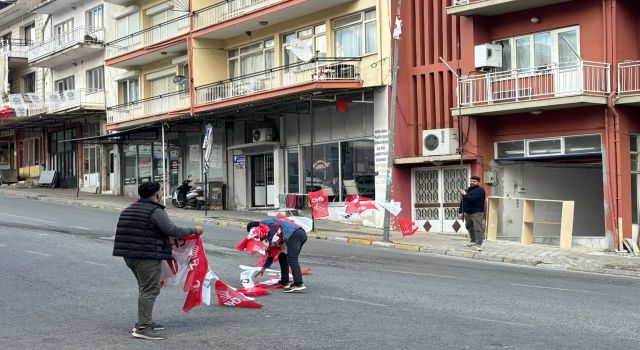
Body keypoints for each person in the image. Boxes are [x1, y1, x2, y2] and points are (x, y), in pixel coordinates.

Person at [113, 181, 203, 340]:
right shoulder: (154, 211)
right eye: (161, 190)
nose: (162, 193)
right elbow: (173, 230)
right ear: (156, 194)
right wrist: (194, 230)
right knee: (150, 290)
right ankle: (143, 328)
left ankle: (145, 321)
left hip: (130, 256)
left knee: (145, 288)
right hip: (146, 256)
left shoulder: (130, 209)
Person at [247, 218, 308, 293]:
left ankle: (298, 284)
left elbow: (274, 225)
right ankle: (284, 281)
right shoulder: (266, 230)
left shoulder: (264, 223)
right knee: (282, 256)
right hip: (297, 234)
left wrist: (269, 240)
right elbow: (272, 252)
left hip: (294, 235)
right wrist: (264, 267)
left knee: (292, 259)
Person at [459, 175, 486, 251]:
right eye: (471, 181)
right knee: (468, 226)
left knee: (478, 228)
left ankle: (479, 244)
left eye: (474, 181)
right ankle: (473, 240)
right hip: (468, 212)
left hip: (477, 212)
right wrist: (461, 212)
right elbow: (463, 201)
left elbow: (472, 199)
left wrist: (464, 193)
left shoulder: (480, 191)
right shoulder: (467, 190)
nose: (472, 183)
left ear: (478, 182)